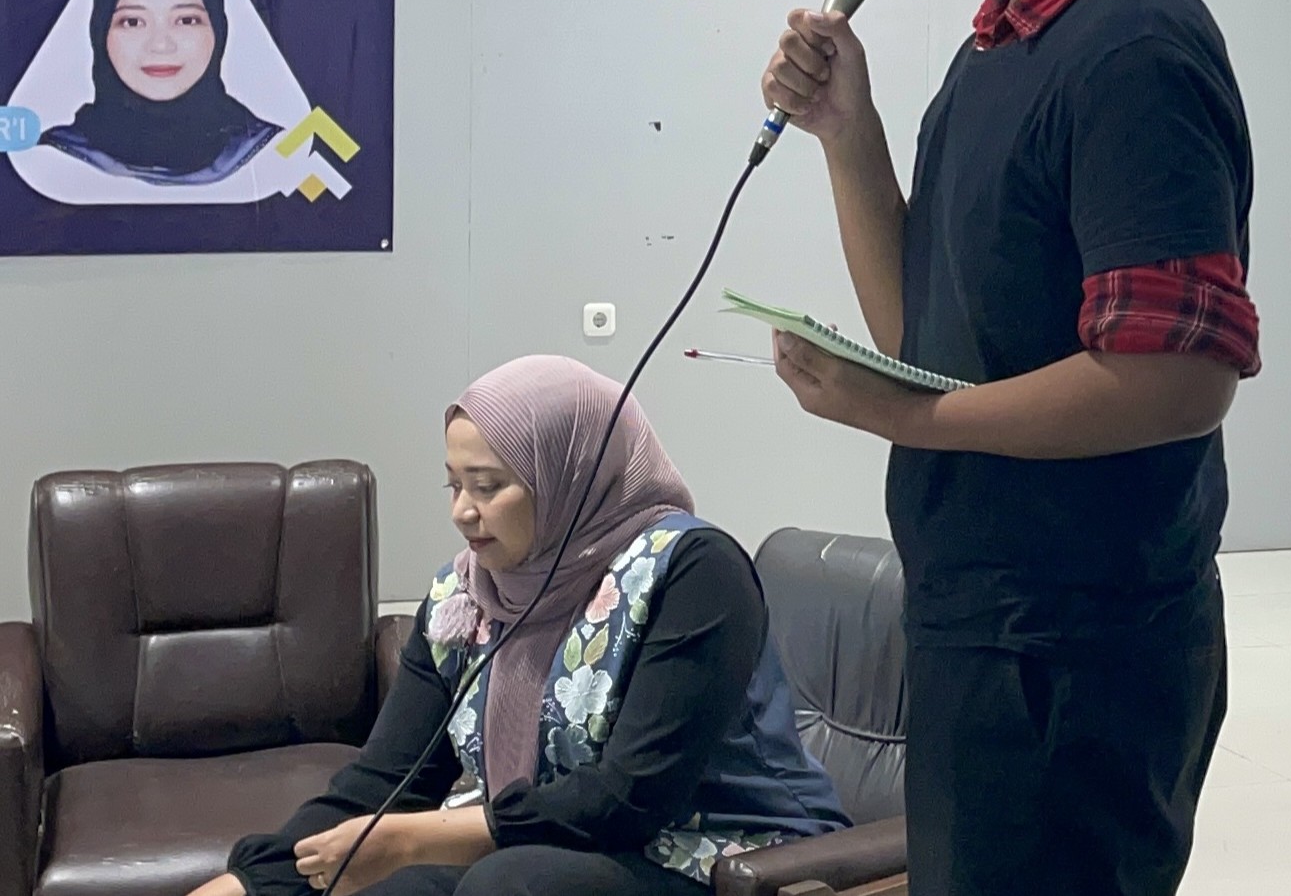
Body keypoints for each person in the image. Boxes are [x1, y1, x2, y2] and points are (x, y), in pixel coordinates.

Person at [759, 0, 1259, 896]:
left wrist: (908, 421)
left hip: (1077, 654)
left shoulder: (1136, 50)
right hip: (984, 626)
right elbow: (925, 334)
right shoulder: (998, 51)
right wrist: (849, 137)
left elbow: (1176, 378)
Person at [191, 356, 848, 896]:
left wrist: (414, 837)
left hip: (723, 855)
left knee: (508, 884)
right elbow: (385, 782)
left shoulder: (692, 570)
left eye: (487, 485)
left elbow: (630, 797)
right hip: (554, 849)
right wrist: (254, 879)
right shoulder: (463, 596)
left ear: (570, 476)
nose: (462, 512)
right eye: (453, 484)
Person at [37, 0, 281, 184]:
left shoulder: (272, 154)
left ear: (218, 31)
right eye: (133, 22)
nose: (161, 45)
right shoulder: (50, 161)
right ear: (100, 34)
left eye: (186, 21)